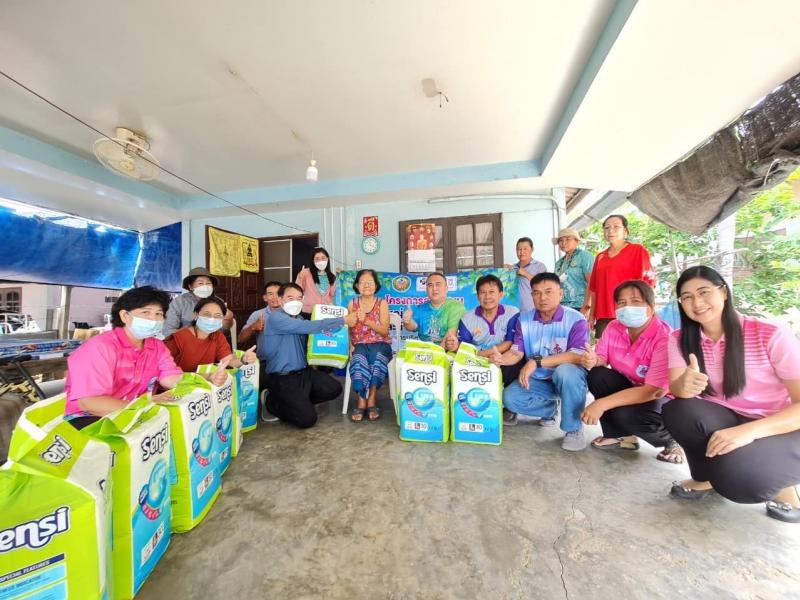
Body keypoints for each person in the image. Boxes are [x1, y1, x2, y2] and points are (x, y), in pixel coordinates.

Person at [662, 266, 800, 523]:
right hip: (728, 418)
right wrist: (685, 384)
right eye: (687, 297)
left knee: (737, 480)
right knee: (677, 410)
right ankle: (706, 478)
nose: (697, 303)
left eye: (704, 292)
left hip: (778, 425)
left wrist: (749, 431)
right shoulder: (679, 338)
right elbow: (677, 389)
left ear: (724, 292)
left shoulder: (769, 333)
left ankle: (785, 485)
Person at [64, 286, 228, 430]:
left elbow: (171, 379)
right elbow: (90, 403)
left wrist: (206, 377)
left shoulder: (156, 346)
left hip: (137, 412)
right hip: (92, 419)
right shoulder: (99, 348)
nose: (153, 319)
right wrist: (146, 403)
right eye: (145, 313)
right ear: (125, 316)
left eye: (158, 314)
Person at [580, 280, 683, 463]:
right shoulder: (614, 327)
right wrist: (593, 359)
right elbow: (602, 358)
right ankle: (620, 436)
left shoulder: (664, 338)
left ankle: (671, 439)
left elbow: (653, 390)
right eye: (621, 302)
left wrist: (601, 404)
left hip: (661, 398)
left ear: (651, 307)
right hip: (632, 387)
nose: (627, 307)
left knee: (625, 414)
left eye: (635, 301)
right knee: (598, 375)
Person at [499, 273, 590, 451]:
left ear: (560, 294)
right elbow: (516, 352)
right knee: (509, 398)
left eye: (548, 292)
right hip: (538, 380)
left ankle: (574, 428)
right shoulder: (524, 320)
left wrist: (536, 361)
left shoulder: (576, 319)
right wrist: (497, 360)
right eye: (537, 293)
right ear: (532, 295)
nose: (542, 298)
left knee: (566, 371)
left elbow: (577, 356)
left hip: (567, 378)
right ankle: (550, 409)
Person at [262, 283, 358, 428]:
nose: (295, 302)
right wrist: (342, 320)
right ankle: (271, 402)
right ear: (281, 300)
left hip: (304, 373)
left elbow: (316, 334)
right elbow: (308, 327)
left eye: (299, 298)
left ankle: (298, 402)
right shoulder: (276, 318)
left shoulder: (299, 318)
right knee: (307, 419)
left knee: (334, 388)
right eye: (290, 298)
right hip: (282, 378)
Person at [444, 274, 522, 387]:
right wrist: (455, 346)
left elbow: (509, 343)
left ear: (501, 294)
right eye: (483, 292)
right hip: (475, 361)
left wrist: (483, 354)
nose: (487, 297)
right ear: (477, 296)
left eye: (491, 292)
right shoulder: (467, 318)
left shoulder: (512, 313)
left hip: (502, 358)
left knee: (515, 365)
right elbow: (464, 347)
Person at [585, 215, 655, 339]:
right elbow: (594, 289)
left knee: (632, 348)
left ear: (625, 231)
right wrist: (591, 315)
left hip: (631, 312)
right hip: (604, 315)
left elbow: (648, 283)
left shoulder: (637, 250)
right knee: (603, 349)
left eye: (616, 227)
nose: (610, 231)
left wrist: (649, 309)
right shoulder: (600, 257)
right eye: (607, 228)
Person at [164, 296, 257, 373]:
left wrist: (243, 360)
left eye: (217, 316)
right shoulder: (178, 338)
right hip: (177, 386)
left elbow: (228, 362)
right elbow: (163, 371)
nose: (212, 319)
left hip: (206, 385)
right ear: (196, 315)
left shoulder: (218, 336)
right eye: (207, 315)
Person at [346, 269, 392, 422]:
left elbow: (384, 331)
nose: (366, 285)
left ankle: (371, 399)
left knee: (377, 359)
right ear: (357, 286)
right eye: (363, 282)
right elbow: (348, 328)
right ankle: (361, 400)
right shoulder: (352, 304)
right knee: (358, 359)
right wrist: (350, 345)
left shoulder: (382, 303)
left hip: (381, 344)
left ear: (376, 285)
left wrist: (366, 320)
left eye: (370, 282)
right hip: (359, 344)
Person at [163, 267, 234, 337]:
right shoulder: (179, 302)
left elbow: (224, 331)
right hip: (185, 341)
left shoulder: (218, 302)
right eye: (200, 283)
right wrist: (192, 334)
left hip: (213, 341)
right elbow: (168, 330)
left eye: (208, 283)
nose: (205, 286)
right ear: (190, 287)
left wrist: (228, 320)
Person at [402, 272, 465, 348]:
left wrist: (436, 353)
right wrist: (407, 321)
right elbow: (413, 327)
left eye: (438, 284)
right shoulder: (421, 308)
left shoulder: (455, 307)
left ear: (446, 289)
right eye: (430, 285)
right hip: (425, 349)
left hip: (448, 350)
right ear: (426, 290)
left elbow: (450, 336)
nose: (434, 288)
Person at [553, 228, 594, 313]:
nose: (564, 243)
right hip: (562, 306)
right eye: (561, 240)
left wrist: (587, 306)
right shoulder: (559, 262)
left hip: (580, 305)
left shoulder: (585, 256)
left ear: (577, 241)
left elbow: (592, 282)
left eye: (568, 239)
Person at [505, 237, 547, 313]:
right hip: (514, 311)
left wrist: (525, 273)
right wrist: (503, 271)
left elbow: (543, 286)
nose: (522, 252)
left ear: (532, 249)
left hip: (533, 311)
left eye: (525, 249)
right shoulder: (512, 268)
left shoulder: (540, 266)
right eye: (519, 249)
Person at [295, 247, 337, 318]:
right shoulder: (306, 273)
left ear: (327, 259)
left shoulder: (332, 276)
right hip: (309, 311)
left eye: (323, 258)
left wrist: (340, 277)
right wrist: (300, 277)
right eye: (317, 259)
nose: (320, 261)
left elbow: (333, 294)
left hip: (325, 312)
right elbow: (297, 290)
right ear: (313, 261)